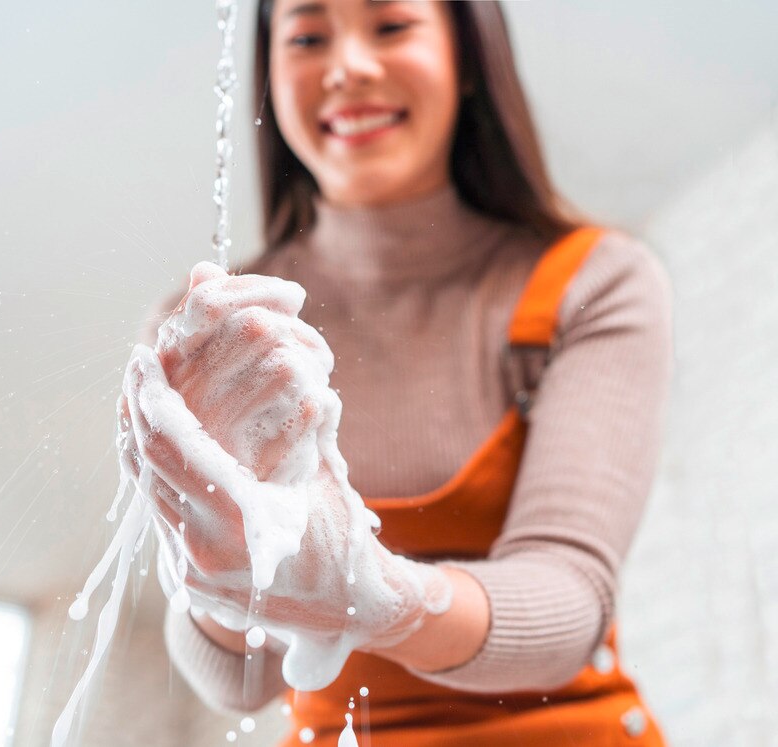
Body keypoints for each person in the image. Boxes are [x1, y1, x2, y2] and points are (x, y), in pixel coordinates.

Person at [123, 0, 672, 744]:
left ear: (468, 60)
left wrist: (380, 598)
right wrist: (227, 579)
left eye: (391, 26)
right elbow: (236, 680)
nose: (349, 67)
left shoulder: (592, 282)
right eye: (309, 36)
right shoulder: (217, 328)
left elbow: (569, 607)